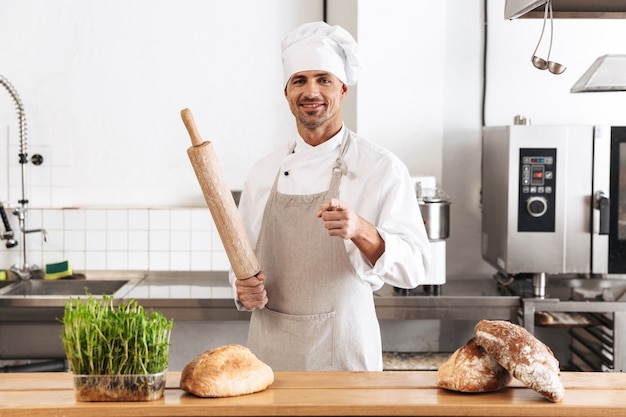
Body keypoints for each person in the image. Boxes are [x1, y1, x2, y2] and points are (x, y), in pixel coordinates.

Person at [229, 21, 431, 371]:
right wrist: (241, 289)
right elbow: (240, 262)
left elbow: (415, 268)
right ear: (286, 93)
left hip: (346, 356)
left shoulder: (381, 168)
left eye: (323, 79)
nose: (311, 92)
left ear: (342, 90)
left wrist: (361, 230)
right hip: (270, 358)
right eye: (299, 80)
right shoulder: (263, 173)